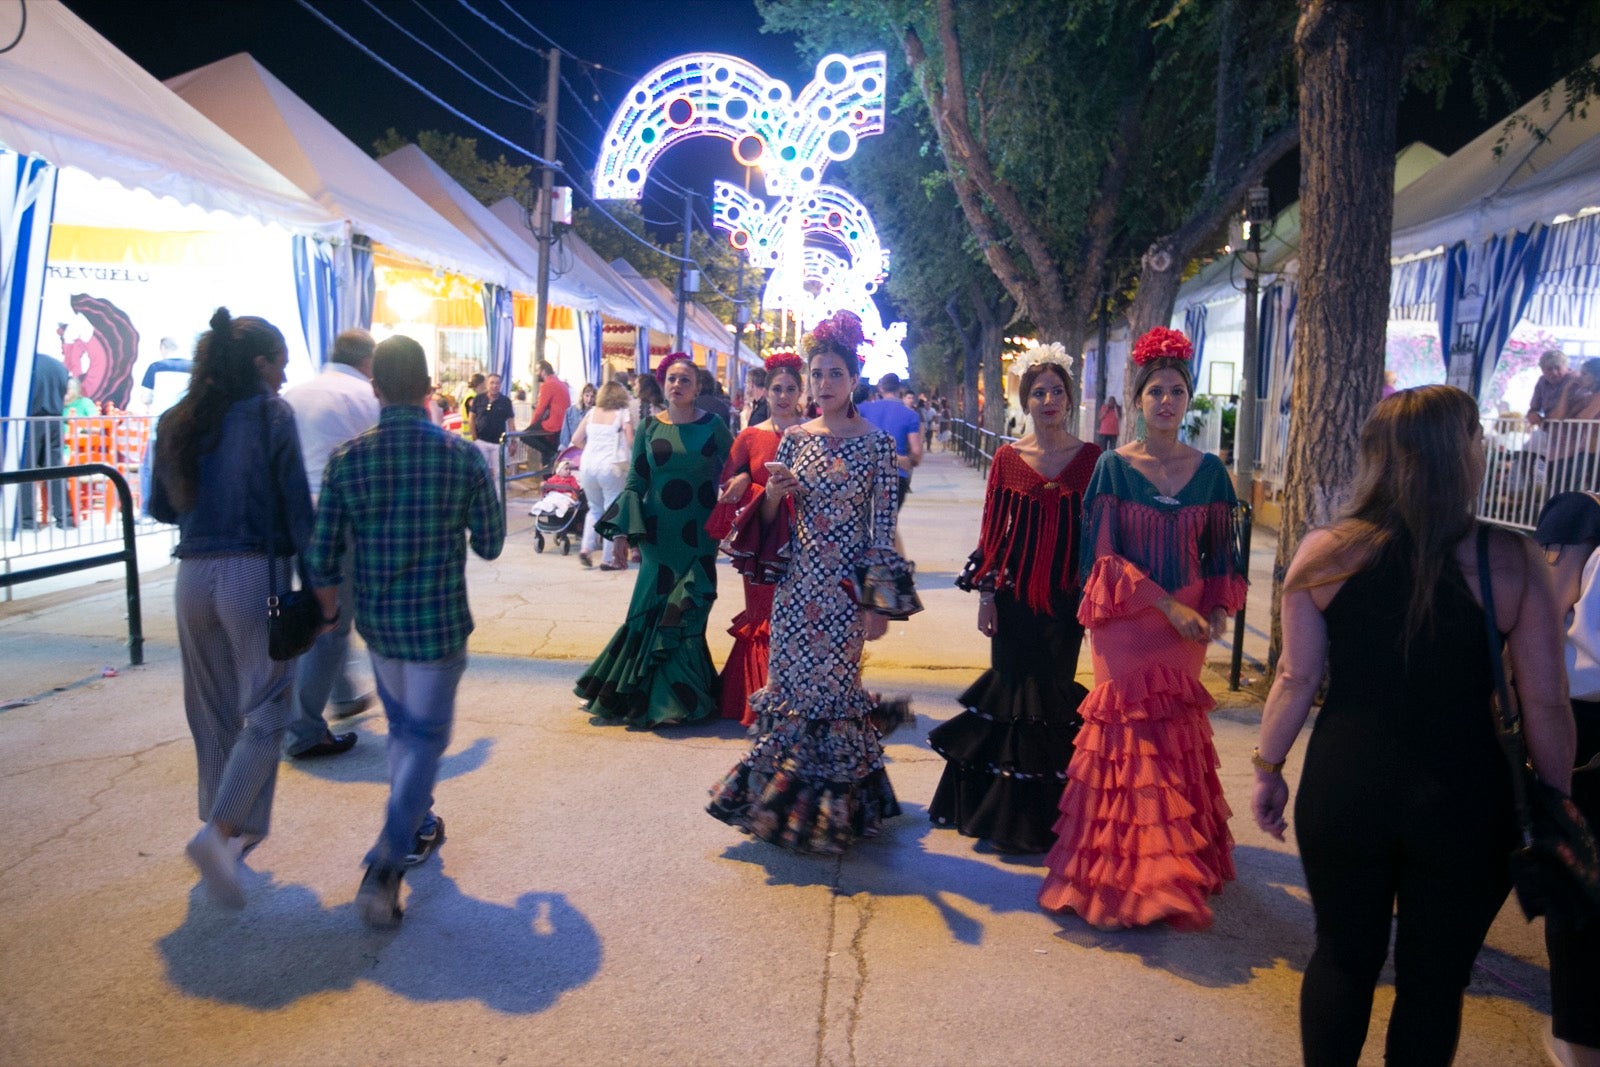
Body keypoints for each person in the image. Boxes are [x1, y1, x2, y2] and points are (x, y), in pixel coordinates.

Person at [1251, 384, 1574, 1065]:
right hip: (1466, 799)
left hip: (1347, 785)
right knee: (1435, 983)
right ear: (1465, 455)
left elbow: (1295, 678)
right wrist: (1556, 799)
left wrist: (1268, 767)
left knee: (1342, 956)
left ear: (1379, 458)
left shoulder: (1324, 553)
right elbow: (1544, 703)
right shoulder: (1511, 561)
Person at [1037, 326, 1246, 931]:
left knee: (1174, 735)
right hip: (1128, 619)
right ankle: (1124, 876)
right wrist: (1168, 608)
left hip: (1185, 629)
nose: (1165, 401)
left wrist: (1217, 610)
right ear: (1137, 401)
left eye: (1176, 391)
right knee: (1129, 739)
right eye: (1155, 391)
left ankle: (1172, 868)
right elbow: (1102, 559)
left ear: (1188, 399)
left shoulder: (1210, 472)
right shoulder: (1112, 467)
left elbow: (1222, 558)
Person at [306, 335, 506, 928]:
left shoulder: (348, 460)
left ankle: (416, 823)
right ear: (427, 388)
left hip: (381, 624)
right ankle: (385, 861)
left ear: (375, 387)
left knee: (402, 733)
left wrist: (329, 606)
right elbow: (492, 545)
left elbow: (320, 558)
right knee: (424, 739)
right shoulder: (463, 457)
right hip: (439, 623)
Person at [708, 309, 920, 854]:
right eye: (817, 374)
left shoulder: (875, 445)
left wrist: (877, 605)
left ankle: (829, 810)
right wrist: (775, 492)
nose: (823, 385)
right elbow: (775, 517)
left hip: (845, 594)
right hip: (796, 585)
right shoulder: (796, 438)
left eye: (834, 375)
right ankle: (783, 806)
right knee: (791, 690)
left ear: (853, 380)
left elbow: (881, 529)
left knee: (833, 693)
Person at [148, 308, 315, 908]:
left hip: (191, 575)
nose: (284, 374)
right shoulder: (271, 415)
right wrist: (320, 584)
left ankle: (225, 839)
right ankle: (220, 834)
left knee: (211, 711)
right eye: (280, 364)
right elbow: (297, 508)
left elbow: (161, 507)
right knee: (269, 708)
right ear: (259, 363)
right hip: (253, 572)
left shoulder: (176, 420)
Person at [930, 356, 1100, 853]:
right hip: (1014, 599)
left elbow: (1097, 532)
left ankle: (1047, 813)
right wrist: (987, 596)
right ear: (1024, 401)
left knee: (1052, 698)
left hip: (1065, 601)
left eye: (1057, 392)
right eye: (1039, 393)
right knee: (1009, 696)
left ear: (1069, 399)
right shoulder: (1007, 459)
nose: (1048, 401)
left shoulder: (1092, 459)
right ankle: (1003, 812)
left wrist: (1096, 592)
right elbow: (993, 535)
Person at [575, 352, 732, 726]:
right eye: (672, 379)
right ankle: (642, 694)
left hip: (698, 533)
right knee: (650, 607)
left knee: (689, 610)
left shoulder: (714, 426)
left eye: (685, 380)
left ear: (697, 388)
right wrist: (623, 534)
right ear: (664, 384)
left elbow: (734, 470)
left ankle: (683, 699)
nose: (677, 385)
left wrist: (737, 514)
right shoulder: (647, 426)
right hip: (658, 534)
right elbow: (635, 482)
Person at [278, 329, 380, 760]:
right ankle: (303, 729)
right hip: (339, 517)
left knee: (303, 611)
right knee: (332, 619)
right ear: (368, 361)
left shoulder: (294, 395)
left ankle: (341, 695)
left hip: (292, 513)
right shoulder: (367, 396)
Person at [1530, 493, 1600, 1067]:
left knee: (1578, 878)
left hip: (1586, 719)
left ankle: (1579, 1041)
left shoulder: (1581, 514)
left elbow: (1549, 607)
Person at [709, 351, 806, 726]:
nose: (782, 396)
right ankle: (751, 700)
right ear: (765, 392)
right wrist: (744, 481)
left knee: (797, 617)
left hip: (803, 538)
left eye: (790, 389)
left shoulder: (814, 433)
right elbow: (728, 483)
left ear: (801, 392)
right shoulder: (749, 437)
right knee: (761, 615)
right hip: (760, 538)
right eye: (776, 388)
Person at [570, 381, 635, 570]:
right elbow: (631, 440)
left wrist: (590, 450)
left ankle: (586, 549)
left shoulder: (591, 413)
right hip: (611, 467)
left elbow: (575, 439)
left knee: (594, 509)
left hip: (588, 465)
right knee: (611, 512)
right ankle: (607, 558)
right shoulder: (623, 413)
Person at [135, 338, 196, 522]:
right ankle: (184, 511)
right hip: (188, 426)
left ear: (162, 348)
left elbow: (146, 397)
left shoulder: (156, 367)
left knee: (149, 468)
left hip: (160, 426)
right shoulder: (193, 367)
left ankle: (147, 511)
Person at [20, 351, 71, 531]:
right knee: (56, 470)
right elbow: (67, 393)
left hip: (30, 421)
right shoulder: (58, 366)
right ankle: (65, 518)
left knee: (26, 472)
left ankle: (27, 520)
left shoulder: (26, 364)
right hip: (55, 420)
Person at [857, 372, 923, 509]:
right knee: (888, 523)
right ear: (900, 390)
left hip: (867, 474)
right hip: (897, 476)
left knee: (866, 520)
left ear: (881, 389)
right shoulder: (911, 415)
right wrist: (909, 461)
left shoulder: (864, 409)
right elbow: (916, 452)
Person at [1547, 357, 1600, 494]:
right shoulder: (1589, 396)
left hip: (1595, 453)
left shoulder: (1597, 397)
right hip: (1587, 452)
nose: (1580, 377)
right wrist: (1566, 390)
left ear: (1596, 376)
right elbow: (1559, 417)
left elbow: (1583, 418)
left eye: (1585, 374)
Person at [525, 361, 571, 471]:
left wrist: (532, 424)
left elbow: (540, 409)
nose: (536, 374)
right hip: (562, 425)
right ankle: (550, 456)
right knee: (547, 460)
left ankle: (551, 454)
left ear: (543, 371)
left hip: (554, 423)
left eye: (537, 370)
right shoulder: (560, 383)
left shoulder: (548, 384)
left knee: (525, 436)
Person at [1529, 348, 1589, 429]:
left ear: (1566, 366)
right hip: (1550, 432)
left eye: (1557, 368)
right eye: (1549, 369)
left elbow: (1561, 414)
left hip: (1574, 432)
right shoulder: (1542, 381)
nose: (1554, 372)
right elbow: (1534, 408)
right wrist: (1532, 414)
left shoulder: (1575, 379)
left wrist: (1547, 418)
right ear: (1542, 370)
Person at [559, 382, 597, 452]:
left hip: (591, 450)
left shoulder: (597, 413)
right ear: (582, 396)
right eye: (587, 396)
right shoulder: (571, 411)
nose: (589, 400)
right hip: (573, 450)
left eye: (592, 397)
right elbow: (565, 436)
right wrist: (562, 453)